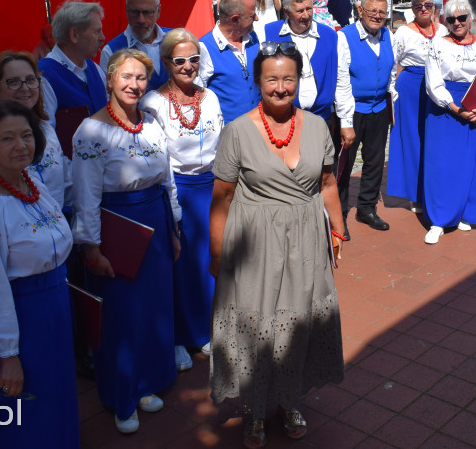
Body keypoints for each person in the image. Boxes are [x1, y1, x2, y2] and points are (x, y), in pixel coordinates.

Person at [209, 41, 346, 448]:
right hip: (255, 241)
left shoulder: (319, 126)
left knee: (299, 321)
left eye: (289, 78)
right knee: (258, 322)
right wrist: (217, 255)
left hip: (305, 236)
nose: (281, 87)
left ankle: (289, 401)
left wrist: (337, 231)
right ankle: (254, 407)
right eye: (272, 79)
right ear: (258, 82)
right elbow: (222, 198)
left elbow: (326, 183)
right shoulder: (236, 132)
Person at [72, 48, 182, 434]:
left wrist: (175, 227)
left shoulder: (151, 123)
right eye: (126, 77)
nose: (134, 85)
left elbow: (166, 178)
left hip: (155, 223)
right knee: (120, 316)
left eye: (140, 78)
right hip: (116, 229)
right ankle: (122, 396)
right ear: (110, 79)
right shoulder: (91, 131)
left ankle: (147, 382)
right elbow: (85, 195)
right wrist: (91, 246)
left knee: (152, 310)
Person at [0, 100, 79, 448]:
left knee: (56, 395)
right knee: (26, 403)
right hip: (22, 316)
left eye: (27, 135)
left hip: (55, 306)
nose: (21, 146)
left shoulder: (33, 184)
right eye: (7, 139)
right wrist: (8, 353)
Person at [142, 30, 223, 373]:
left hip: (210, 186)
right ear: (165, 63)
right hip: (176, 189)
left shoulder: (211, 98)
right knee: (180, 264)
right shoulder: (153, 103)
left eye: (194, 59)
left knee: (210, 260)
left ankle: (205, 330)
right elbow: (157, 157)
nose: (188, 66)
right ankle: (178, 336)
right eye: (179, 60)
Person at [422, 0, 476, 244]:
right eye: (451, 19)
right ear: (445, 21)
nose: (457, 23)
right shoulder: (438, 44)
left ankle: (469, 213)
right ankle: (439, 219)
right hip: (446, 107)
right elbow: (433, 83)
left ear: (470, 19)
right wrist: (455, 108)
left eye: (462, 17)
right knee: (443, 164)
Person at [0, 51, 68, 208]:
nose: (25, 88)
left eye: (30, 80)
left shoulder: (46, 130)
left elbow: (62, 184)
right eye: (13, 82)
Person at [335, 0, 396, 235]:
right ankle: (338, 214)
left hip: (379, 108)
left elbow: (390, 71)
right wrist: (345, 121)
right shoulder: (344, 37)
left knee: (374, 162)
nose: (377, 16)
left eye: (382, 12)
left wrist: (391, 95)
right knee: (344, 166)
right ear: (361, 11)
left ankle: (367, 208)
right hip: (353, 110)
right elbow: (341, 80)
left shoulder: (388, 35)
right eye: (372, 11)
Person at [386, 0, 445, 210]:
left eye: (427, 5)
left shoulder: (442, 31)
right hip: (410, 87)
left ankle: (433, 187)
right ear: (412, 9)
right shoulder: (403, 32)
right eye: (418, 6)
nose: (423, 9)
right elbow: (393, 63)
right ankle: (414, 192)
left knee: (434, 138)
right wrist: (392, 91)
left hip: (437, 87)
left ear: (434, 7)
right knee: (412, 138)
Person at [263, 0, 339, 122]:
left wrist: (343, 119)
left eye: (309, 9)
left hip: (321, 117)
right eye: (299, 11)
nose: (306, 15)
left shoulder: (330, 35)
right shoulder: (268, 33)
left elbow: (340, 78)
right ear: (286, 12)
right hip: (283, 118)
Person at [38, 0, 108, 126]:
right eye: (96, 31)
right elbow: (45, 134)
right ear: (74, 35)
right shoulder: (44, 76)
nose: (103, 37)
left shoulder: (95, 69)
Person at [198, 0, 261, 123]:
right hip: (228, 133)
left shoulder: (253, 38)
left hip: (259, 126)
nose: (256, 18)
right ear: (235, 19)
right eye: (252, 15)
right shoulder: (205, 48)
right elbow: (198, 96)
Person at [101, 0, 172, 93]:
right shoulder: (111, 51)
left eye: (147, 12)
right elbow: (108, 96)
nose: (141, 20)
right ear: (126, 10)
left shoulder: (176, 41)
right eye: (135, 12)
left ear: (159, 11)